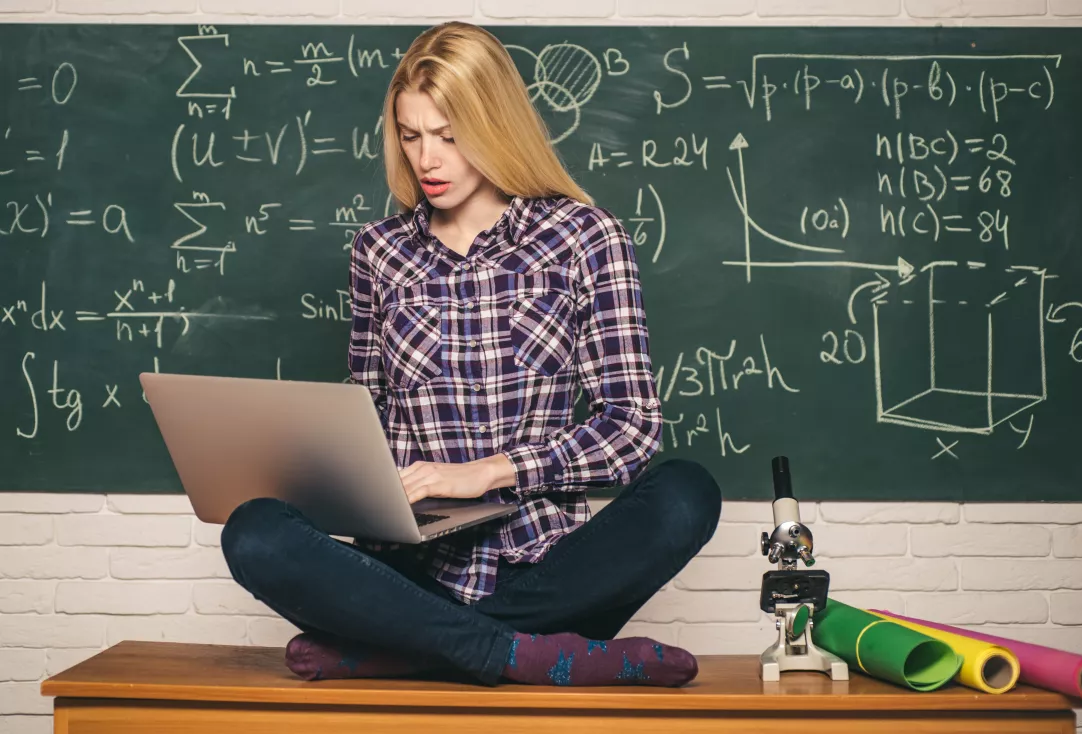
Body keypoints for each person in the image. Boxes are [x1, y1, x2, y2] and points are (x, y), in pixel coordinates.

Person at [220, 21, 722, 688]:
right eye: (411, 135)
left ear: (496, 126)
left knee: (688, 494)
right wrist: (332, 472)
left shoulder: (585, 237)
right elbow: (366, 418)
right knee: (253, 533)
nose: (428, 159)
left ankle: (407, 655)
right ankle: (514, 655)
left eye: (450, 137)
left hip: (548, 569)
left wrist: (490, 472)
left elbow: (629, 428)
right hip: (407, 576)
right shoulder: (379, 251)